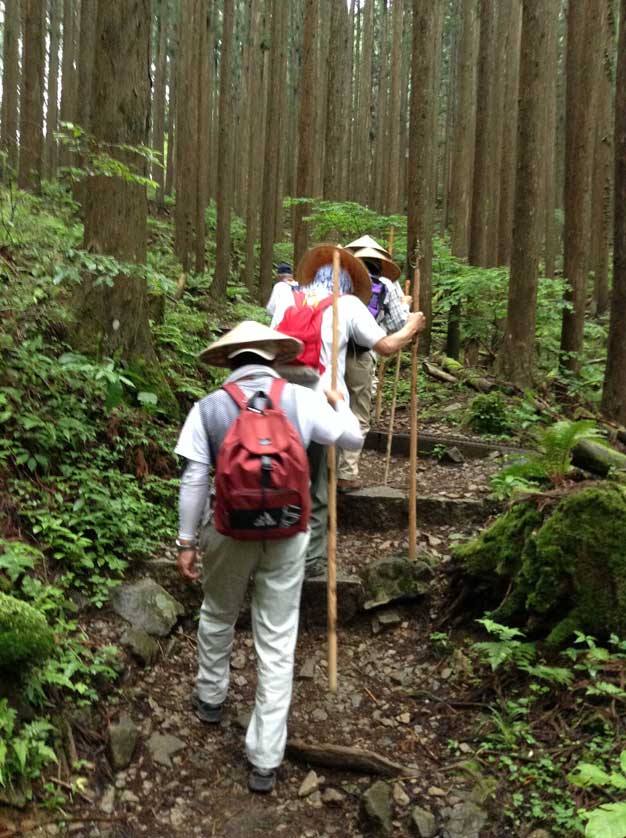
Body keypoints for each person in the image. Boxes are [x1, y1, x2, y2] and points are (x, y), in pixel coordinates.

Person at [174, 320, 363, 794]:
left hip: (227, 531)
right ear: (272, 359)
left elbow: (195, 481)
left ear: (230, 360)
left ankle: (211, 698)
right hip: (288, 531)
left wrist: (185, 543)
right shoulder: (300, 399)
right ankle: (265, 757)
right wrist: (338, 403)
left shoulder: (209, 408)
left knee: (218, 612)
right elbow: (354, 440)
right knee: (278, 638)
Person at [276, 244, 426, 576]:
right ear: (347, 282)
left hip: (278, 400)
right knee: (318, 483)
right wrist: (412, 325)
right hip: (321, 402)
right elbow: (386, 346)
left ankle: (276, 549)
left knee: (284, 476)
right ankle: (312, 559)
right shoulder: (349, 305)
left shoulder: (289, 297)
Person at [337, 237, 412, 491]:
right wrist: (404, 307)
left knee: (330, 406)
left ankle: (323, 469)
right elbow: (398, 327)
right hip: (362, 354)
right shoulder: (387, 285)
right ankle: (346, 473)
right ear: (381, 260)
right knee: (357, 413)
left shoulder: (341, 280)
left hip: (330, 351)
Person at [266, 262, 297, 328]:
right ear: (291, 275)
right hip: (297, 324)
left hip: (281, 325)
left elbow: (270, 308)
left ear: (279, 276)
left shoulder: (279, 286)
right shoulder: (299, 287)